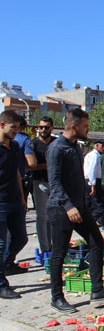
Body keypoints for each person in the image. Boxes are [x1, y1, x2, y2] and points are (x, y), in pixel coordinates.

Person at [47, 108, 104, 312]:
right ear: (74, 126)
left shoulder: (75, 147)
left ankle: (97, 290)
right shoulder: (57, 148)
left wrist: (81, 202)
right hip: (61, 209)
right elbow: (54, 182)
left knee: (97, 241)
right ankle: (56, 298)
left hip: (79, 207)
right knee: (59, 253)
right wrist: (68, 206)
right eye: (85, 126)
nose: (88, 129)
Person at [0, 110, 28, 299]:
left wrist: (22, 196)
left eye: (18, 128)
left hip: (14, 200)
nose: (16, 131)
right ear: (2, 125)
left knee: (21, 238)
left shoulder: (16, 146)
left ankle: (7, 264)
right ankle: (1, 284)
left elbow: (17, 172)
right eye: (13, 127)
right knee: (0, 243)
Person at [26, 116, 56, 256]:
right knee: (42, 216)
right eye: (41, 127)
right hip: (40, 182)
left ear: (52, 128)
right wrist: (50, 165)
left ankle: (54, 245)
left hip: (55, 183)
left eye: (46, 127)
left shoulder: (56, 143)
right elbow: (31, 165)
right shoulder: (33, 144)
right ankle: (45, 248)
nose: (43, 130)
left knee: (54, 215)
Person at [84, 139, 104, 227]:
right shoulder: (94, 155)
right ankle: (90, 222)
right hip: (92, 181)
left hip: (92, 180)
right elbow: (91, 170)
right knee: (98, 204)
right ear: (96, 145)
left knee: (91, 203)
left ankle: (89, 222)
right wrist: (93, 184)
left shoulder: (93, 155)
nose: (103, 148)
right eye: (102, 146)